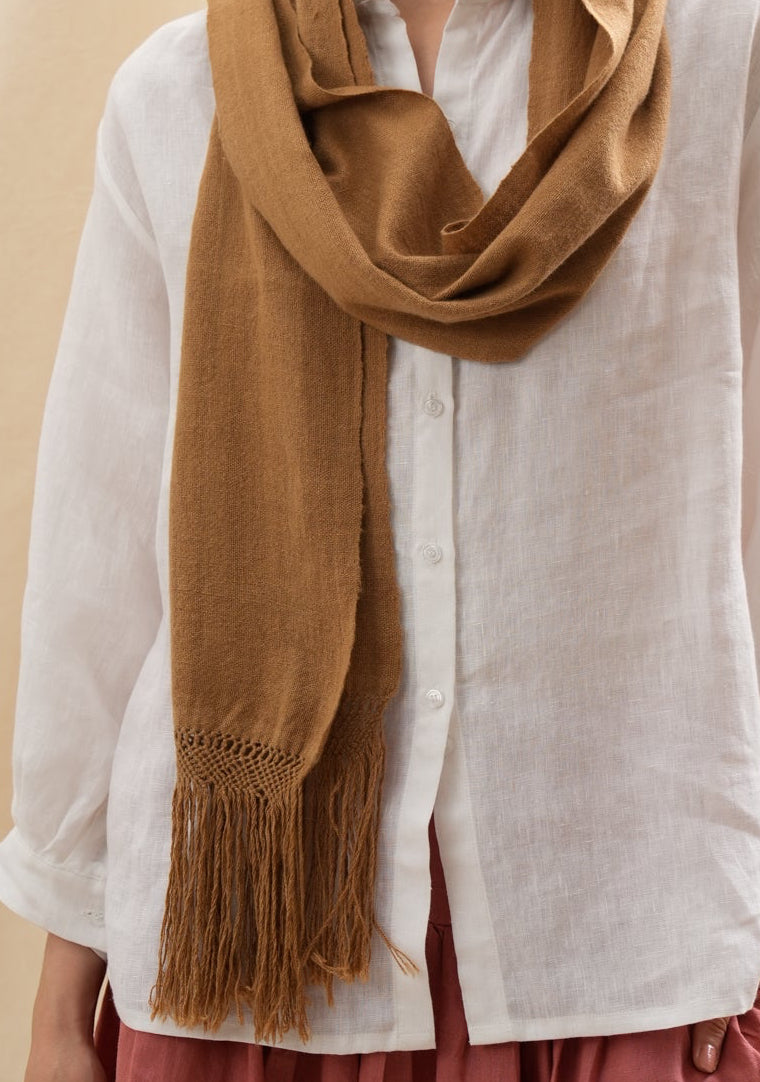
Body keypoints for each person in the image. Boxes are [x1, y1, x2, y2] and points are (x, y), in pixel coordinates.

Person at [5, 0, 760, 1079]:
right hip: (250, 960)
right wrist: (58, 1006)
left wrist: (731, 913)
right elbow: (103, 560)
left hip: (615, 934)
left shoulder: (720, 57)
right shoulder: (178, 93)